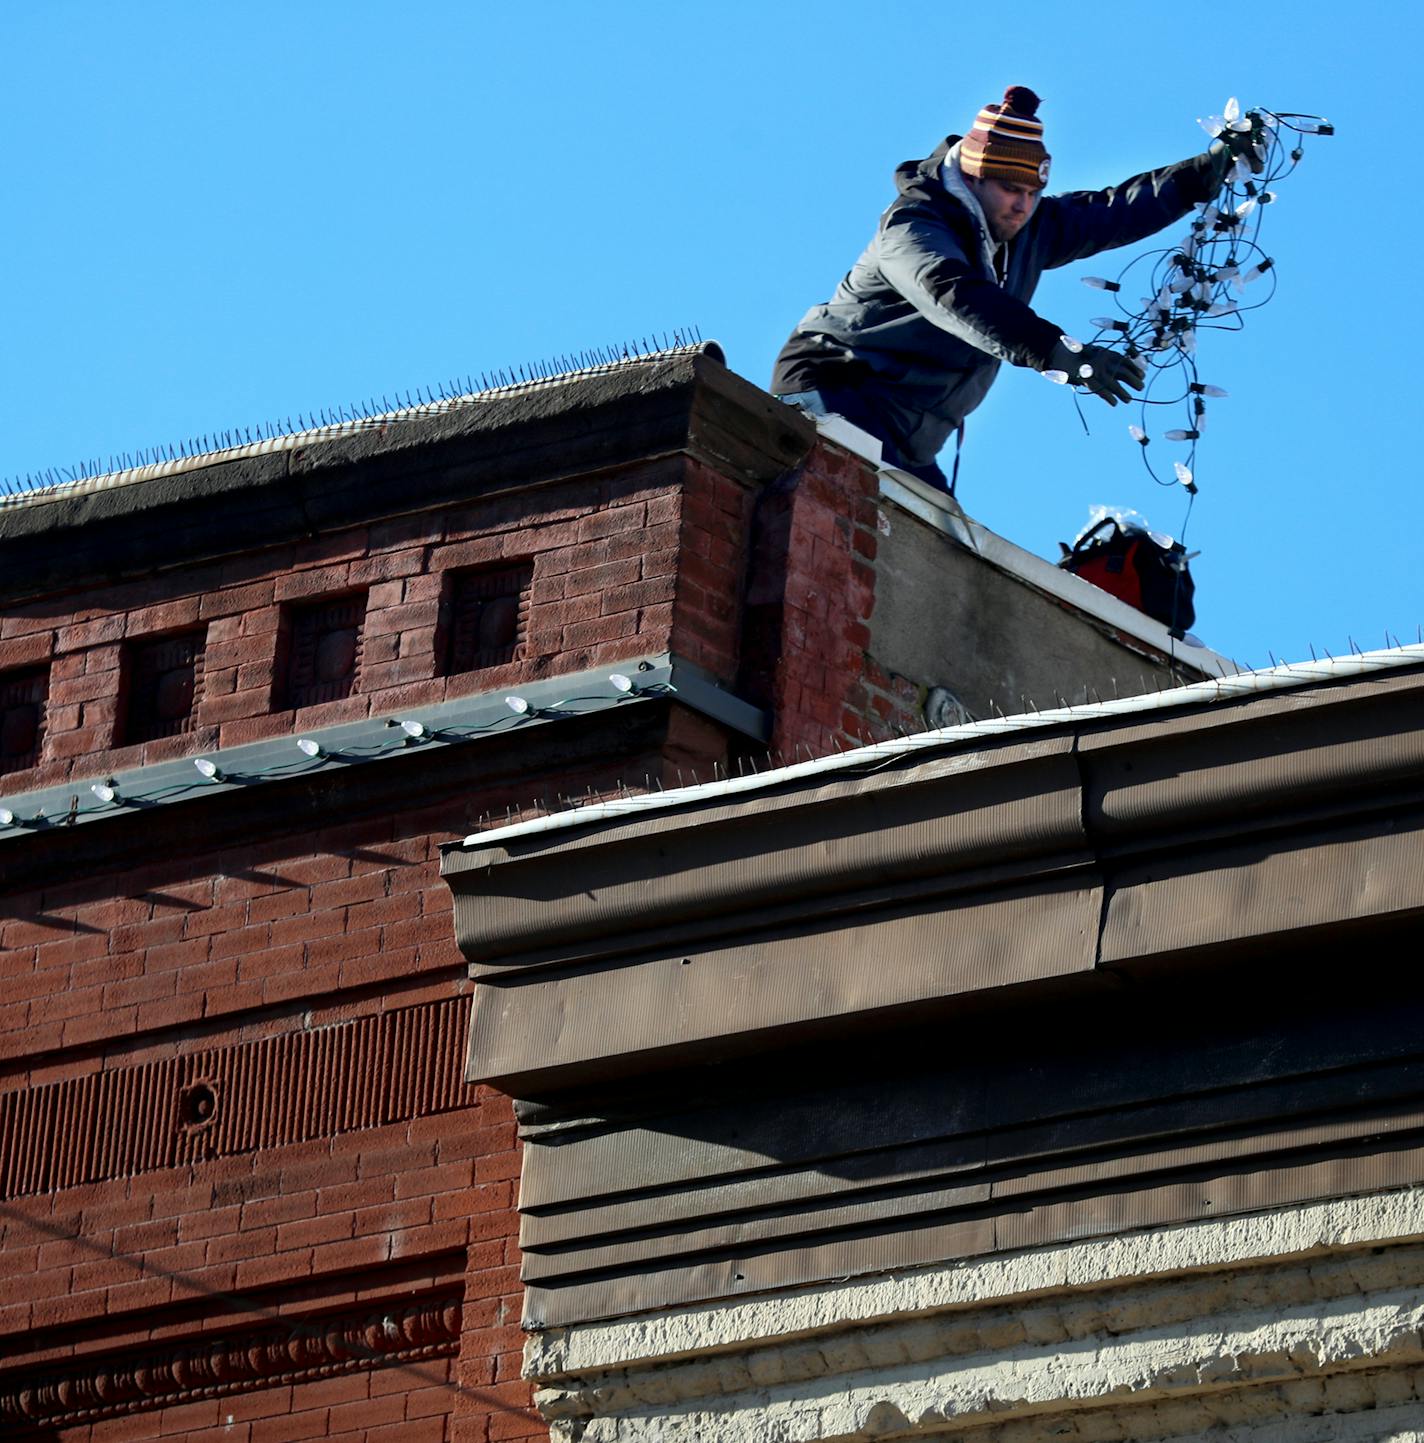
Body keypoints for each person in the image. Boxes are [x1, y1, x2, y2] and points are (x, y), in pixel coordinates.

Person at [771, 86, 1255, 493]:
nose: (1022, 206)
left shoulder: (1029, 227)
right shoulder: (915, 225)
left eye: (1033, 191)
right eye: (1009, 189)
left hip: (910, 437)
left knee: (942, 560)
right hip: (837, 392)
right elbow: (950, 291)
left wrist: (1203, 174)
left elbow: (1114, 210)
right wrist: (1054, 351)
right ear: (972, 175)